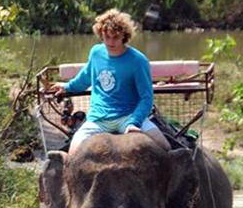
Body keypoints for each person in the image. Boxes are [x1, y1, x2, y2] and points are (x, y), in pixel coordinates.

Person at [52, 8, 170, 154]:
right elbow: (85, 78)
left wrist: (135, 121)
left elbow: (146, 98)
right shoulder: (96, 53)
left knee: (164, 146)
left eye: (115, 37)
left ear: (124, 36)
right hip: (98, 118)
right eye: (106, 37)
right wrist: (66, 86)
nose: (110, 41)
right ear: (101, 34)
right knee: (73, 152)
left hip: (128, 116)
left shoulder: (138, 61)